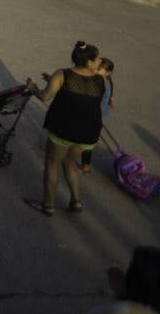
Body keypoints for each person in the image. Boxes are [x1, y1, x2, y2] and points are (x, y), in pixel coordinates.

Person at [24, 41, 106, 217]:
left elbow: (45, 97)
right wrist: (53, 81)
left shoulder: (63, 75)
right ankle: (76, 201)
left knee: (52, 164)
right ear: (88, 62)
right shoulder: (100, 80)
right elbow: (83, 94)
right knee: (70, 162)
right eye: (97, 58)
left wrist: (34, 88)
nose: (100, 61)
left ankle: (48, 205)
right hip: (89, 133)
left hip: (65, 129)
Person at [82, 57, 116, 174]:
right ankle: (85, 165)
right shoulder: (107, 82)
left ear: (108, 73)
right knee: (87, 143)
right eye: (96, 68)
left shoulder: (101, 85)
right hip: (97, 117)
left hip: (91, 116)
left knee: (84, 140)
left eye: (99, 69)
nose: (95, 71)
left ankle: (84, 165)